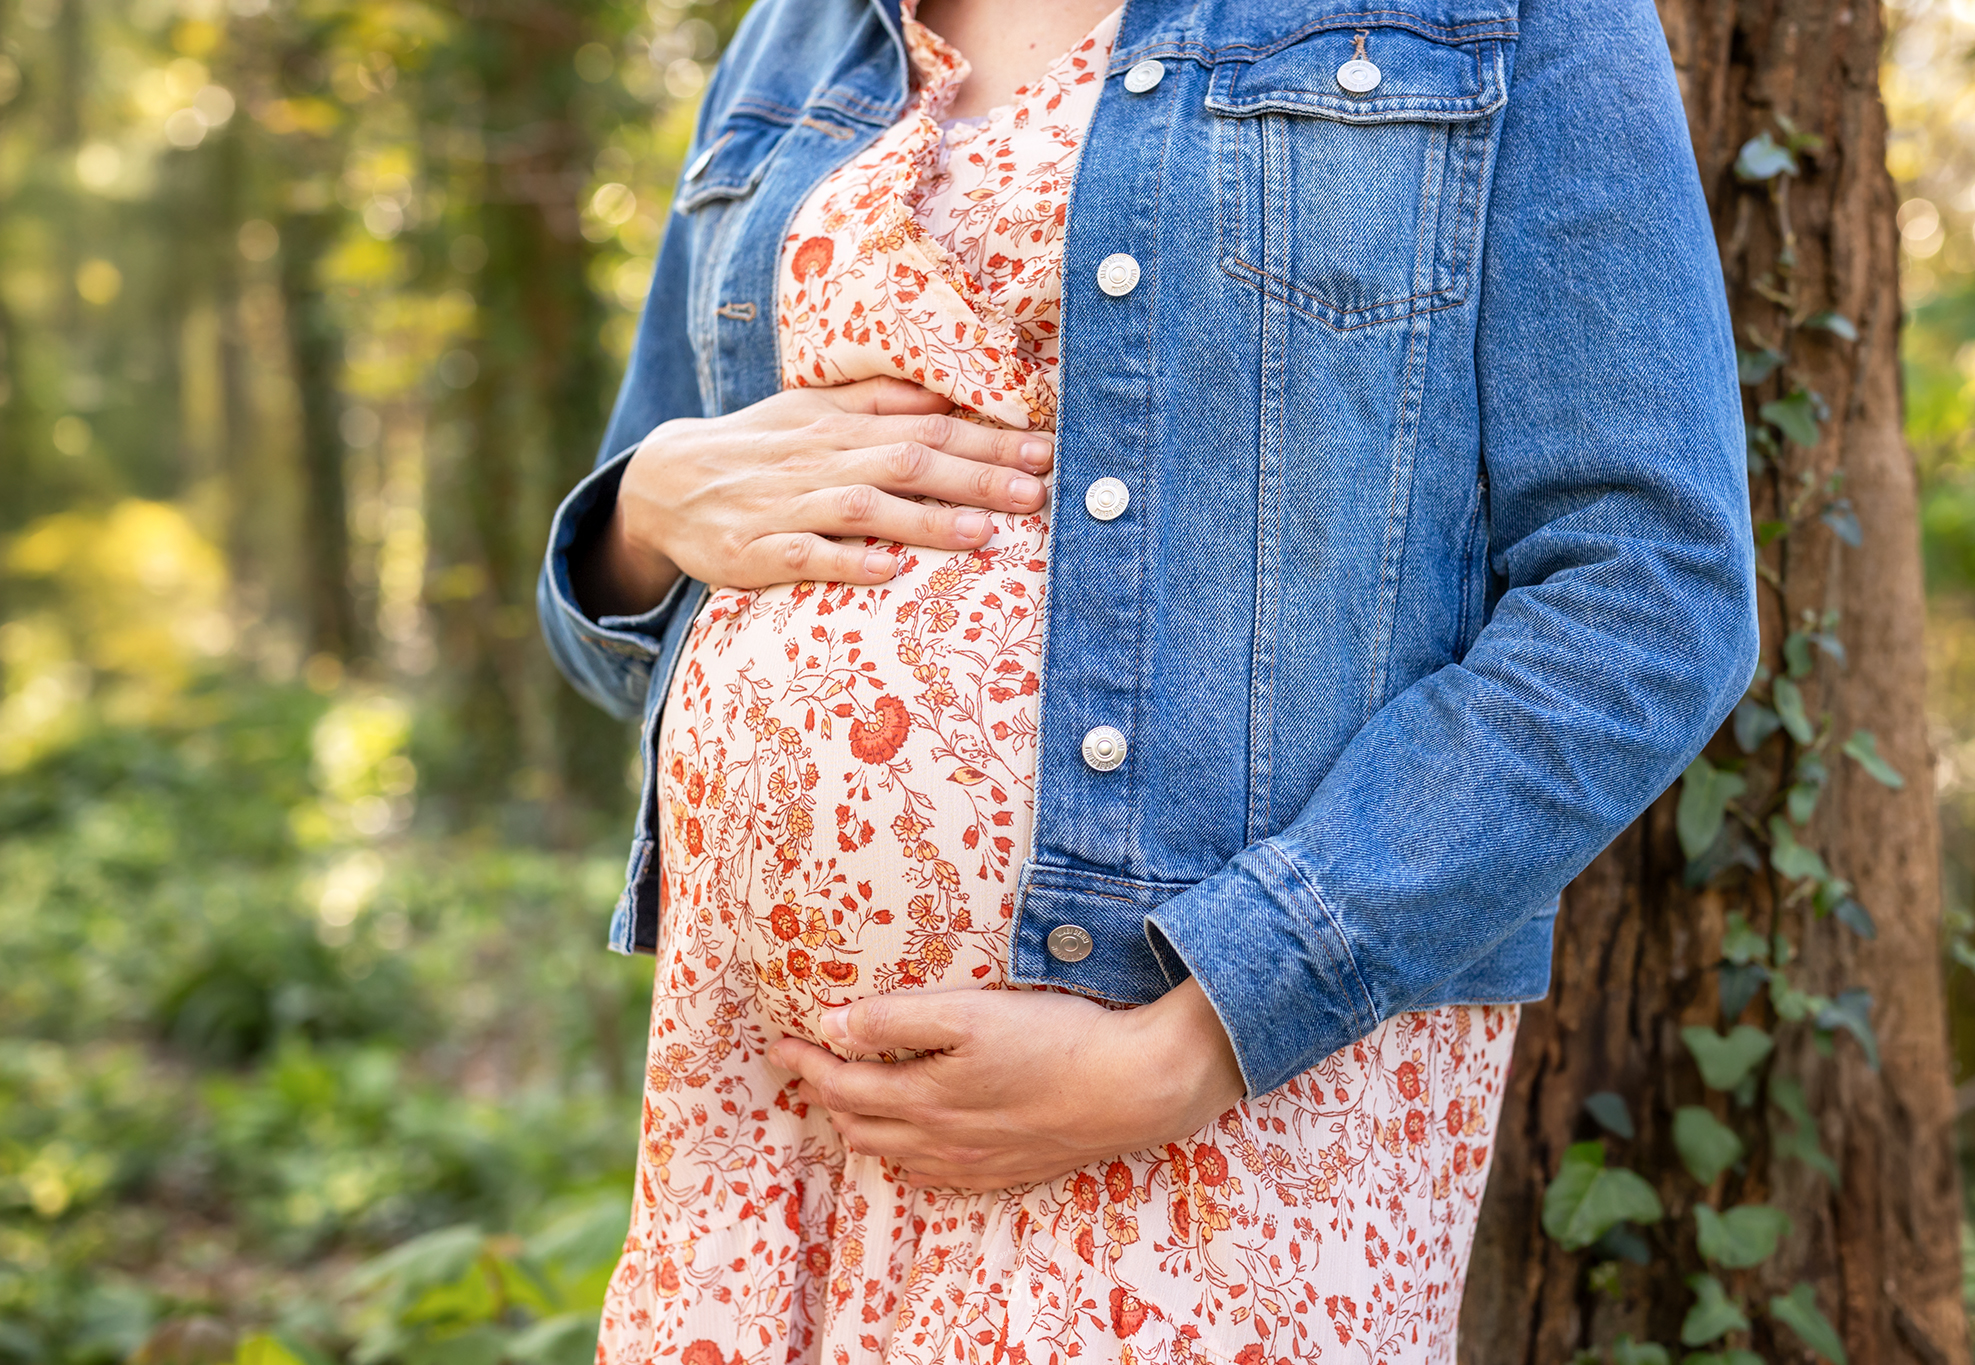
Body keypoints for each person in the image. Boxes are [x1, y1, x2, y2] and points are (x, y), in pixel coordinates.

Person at [537, 0, 1756, 1356]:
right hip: (771, 1118)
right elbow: (627, 604)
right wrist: (643, 510)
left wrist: (1195, 1044)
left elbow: (1650, 588)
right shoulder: (795, 33)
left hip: (1213, 1097)